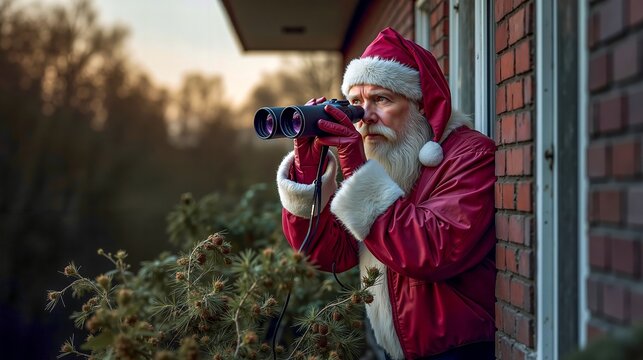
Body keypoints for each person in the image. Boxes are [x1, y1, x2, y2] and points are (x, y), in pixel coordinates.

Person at [275, 27, 496, 360]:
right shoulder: (386, 163)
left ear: (423, 105)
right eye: (355, 103)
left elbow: (433, 250)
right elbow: (331, 253)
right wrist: (308, 170)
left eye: (381, 99)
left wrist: (359, 172)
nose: (365, 117)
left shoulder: (470, 156)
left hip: (461, 351)